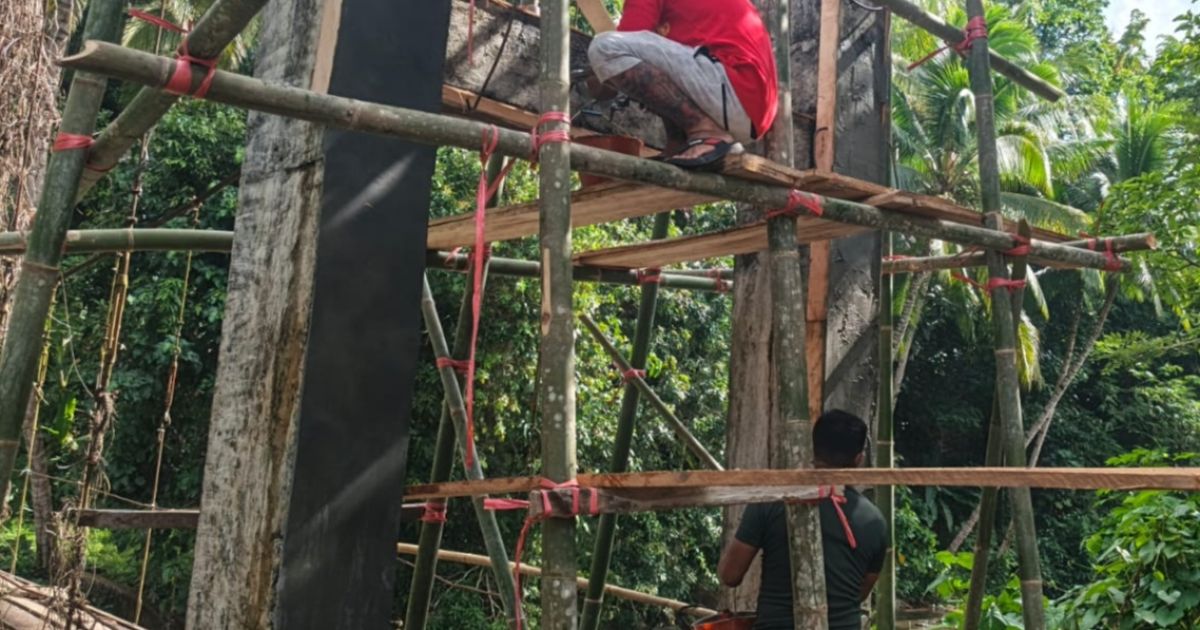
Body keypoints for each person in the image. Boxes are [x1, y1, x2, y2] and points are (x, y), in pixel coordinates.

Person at [717, 410, 890, 630]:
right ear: (858, 459)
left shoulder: (771, 500)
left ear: (813, 448)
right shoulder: (875, 522)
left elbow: (730, 575)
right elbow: (858, 593)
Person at [586, 0, 778, 170]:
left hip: (735, 87)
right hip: (748, 104)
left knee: (605, 48)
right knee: (652, 69)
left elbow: (626, 43)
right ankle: (679, 144)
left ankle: (706, 132)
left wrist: (597, 75)